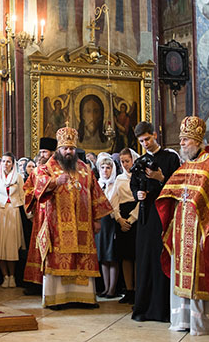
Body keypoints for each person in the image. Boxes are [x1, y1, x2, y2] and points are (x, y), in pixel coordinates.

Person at [156, 116, 209, 334]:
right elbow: (171, 191)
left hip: (199, 229)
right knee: (182, 273)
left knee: (199, 273)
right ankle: (183, 319)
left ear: (197, 141)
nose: (182, 143)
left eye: (186, 139)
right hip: (181, 227)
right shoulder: (186, 166)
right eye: (181, 139)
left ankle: (201, 322)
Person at [33, 127, 113, 308]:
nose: (69, 151)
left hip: (82, 224)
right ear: (59, 149)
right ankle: (57, 298)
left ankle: (83, 298)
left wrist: (97, 219)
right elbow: (37, 190)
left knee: (82, 259)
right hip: (57, 224)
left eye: (71, 148)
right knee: (58, 258)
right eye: (65, 148)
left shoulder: (85, 169)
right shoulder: (48, 168)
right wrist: (54, 182)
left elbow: (96, 194)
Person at [130, 121, 181, 322]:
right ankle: (143, 308)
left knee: (161, 258)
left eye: (147, 139)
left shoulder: (170, 158)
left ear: (155, 135)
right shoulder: (141, 161)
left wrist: (161, 178)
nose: (145, 144)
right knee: (144, 259)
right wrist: (138, 193)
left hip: (163, 216)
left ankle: (162, 309)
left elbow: (178, 186)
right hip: (145, 215)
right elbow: (133, 184)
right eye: (141, 141)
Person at [95, 152, 132, 298]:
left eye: (108, 168)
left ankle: (112, 288)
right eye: (102, 167)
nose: (105, 171)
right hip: (100, 223)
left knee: (112, 256)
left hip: (111, 222)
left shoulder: (115, 183)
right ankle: (105, 287)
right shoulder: (98, 184)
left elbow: (114, 204)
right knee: (103, 256)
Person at [23, 136, 58, 293]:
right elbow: (28, 188)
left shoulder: (59, 169)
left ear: (53, 153)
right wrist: (32, 200)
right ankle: (35, 282)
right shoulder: (37, 170)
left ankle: (49, 282)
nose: (43, 155)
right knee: (37, 246)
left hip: (54, 213)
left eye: (45, 152)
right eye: (42, 152)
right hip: (40, 213)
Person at [0, 153, 27, 288]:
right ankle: (5, 276)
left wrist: (29, 215)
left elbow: (22, 196)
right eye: (4, 161)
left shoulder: (18, 177)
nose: (5, 164)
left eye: (8, 162)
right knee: (0, 246)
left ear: (13, 164)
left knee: (11, 246)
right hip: (0, 211)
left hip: (13, 211)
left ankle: (13, 276)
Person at [115, 147, 140, 303]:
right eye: (122, 162)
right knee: (125, 256)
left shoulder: (139, 177)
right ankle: (129, 289)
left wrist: (131, 219)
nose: (125, 164)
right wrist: (119, 219)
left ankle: (138, 289)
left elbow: (142, 200)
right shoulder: (119, 179)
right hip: (122, 218)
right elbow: (114, 200)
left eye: (127, 161)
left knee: (136, 255)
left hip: (136, 217)